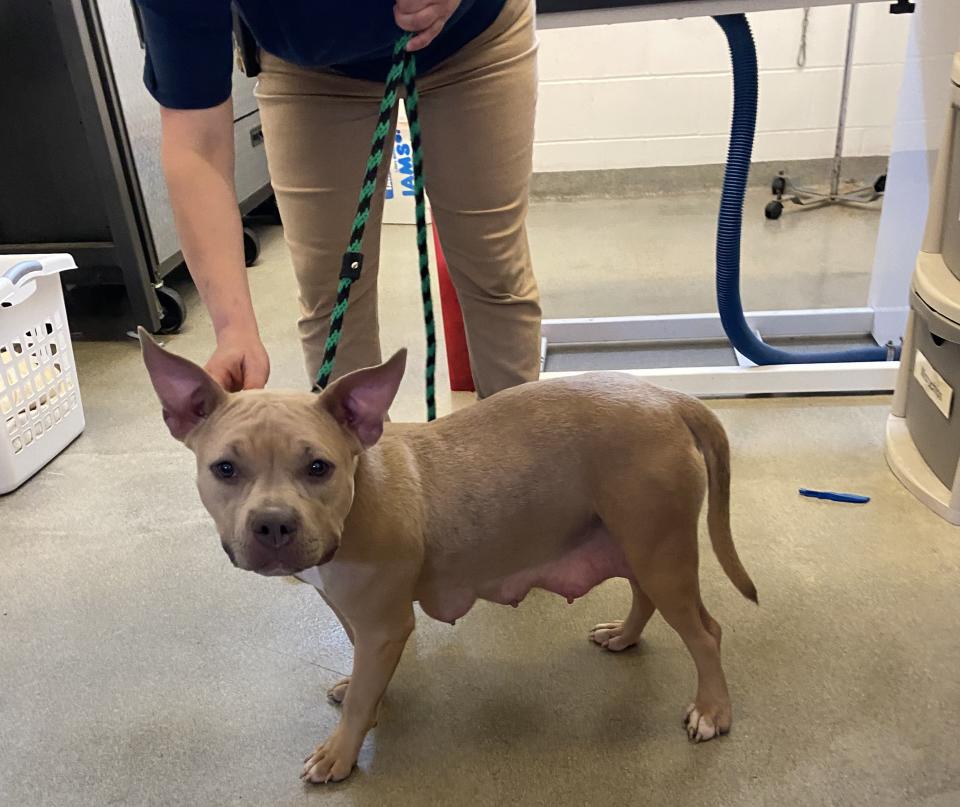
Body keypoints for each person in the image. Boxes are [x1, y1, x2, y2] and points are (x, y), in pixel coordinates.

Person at [135, 0, 541, 399]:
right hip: (314, 71)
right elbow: (197, 145)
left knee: (495, 279)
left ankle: (523, 460)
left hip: (472, 42)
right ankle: (360, 466)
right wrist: (232, 328)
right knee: (334, 303)